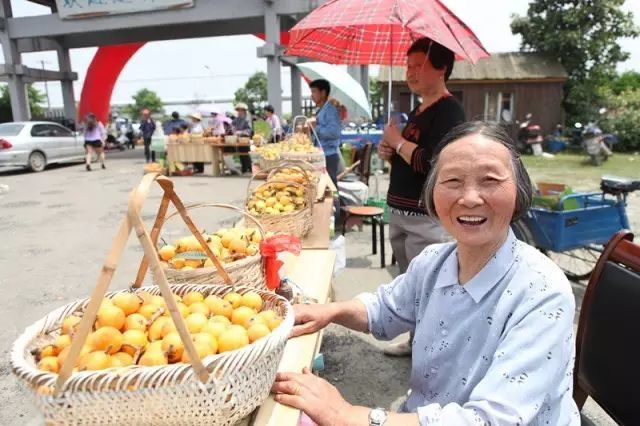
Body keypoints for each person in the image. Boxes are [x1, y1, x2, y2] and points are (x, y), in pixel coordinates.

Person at [272, 121, 580, 426]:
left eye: (489, 179)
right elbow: (385, 309)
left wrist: (347, 416)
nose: (470, 198)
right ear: (432, 191)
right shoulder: (434, 261)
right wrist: (331, 310)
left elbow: (491, 421)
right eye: (453, 181)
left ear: (519, 190)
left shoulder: (542, 291)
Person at [378, 37, 466, 356]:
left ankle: (433, 351)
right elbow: (408, 159)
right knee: (411, 283)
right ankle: (417, 342)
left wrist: (398, 142)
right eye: (408, 66)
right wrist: (390, 151)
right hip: (401, 211)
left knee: (430, 286)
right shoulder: (418, 111)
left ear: (441, 68)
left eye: (418, 66)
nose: (410, 73)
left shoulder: (449, 111)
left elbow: (434, 163)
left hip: (425, 217)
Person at [309, 79, 342, 224]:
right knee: (324, 188)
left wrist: (316, 128)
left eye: (314, 91)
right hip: (323, 154)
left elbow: (334, 132)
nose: (312, 95)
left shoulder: (330, 109)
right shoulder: (321, 110)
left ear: (323, 93)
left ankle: (336, 219)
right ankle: (328, 219)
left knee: (330, 188)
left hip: (329, 154)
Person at [231, 102, 253, 174]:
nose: (239, 112)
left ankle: (249, 168)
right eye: (238, 110)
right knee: (241, 153)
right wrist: (233, 128)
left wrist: (240, 132)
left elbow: (249, 130)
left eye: (240, 110)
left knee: (246, 153)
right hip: (238, 139)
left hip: (245, 138)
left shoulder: (247, 119)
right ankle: (244, 168)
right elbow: (232, 124)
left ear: (244, 111)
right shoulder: (237, 119)